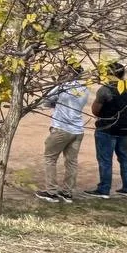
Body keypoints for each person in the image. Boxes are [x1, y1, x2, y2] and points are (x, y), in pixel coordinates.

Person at [36, 65, 89, 203]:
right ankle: (67, 192)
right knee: (71, 162)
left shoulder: (62, 86)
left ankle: (51, 192)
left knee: (50, 158)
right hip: (78, 130)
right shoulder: (84, 89)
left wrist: (55, 103)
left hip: (61, 128)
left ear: (69, 72)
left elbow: (45, 100)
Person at [84, 62, 127, 198]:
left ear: (108, 74)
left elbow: (95, 111)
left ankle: (104, 189)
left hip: (106, 128)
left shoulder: (105, 90)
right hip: (124, 128)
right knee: (124, 157)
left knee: (105, 159)